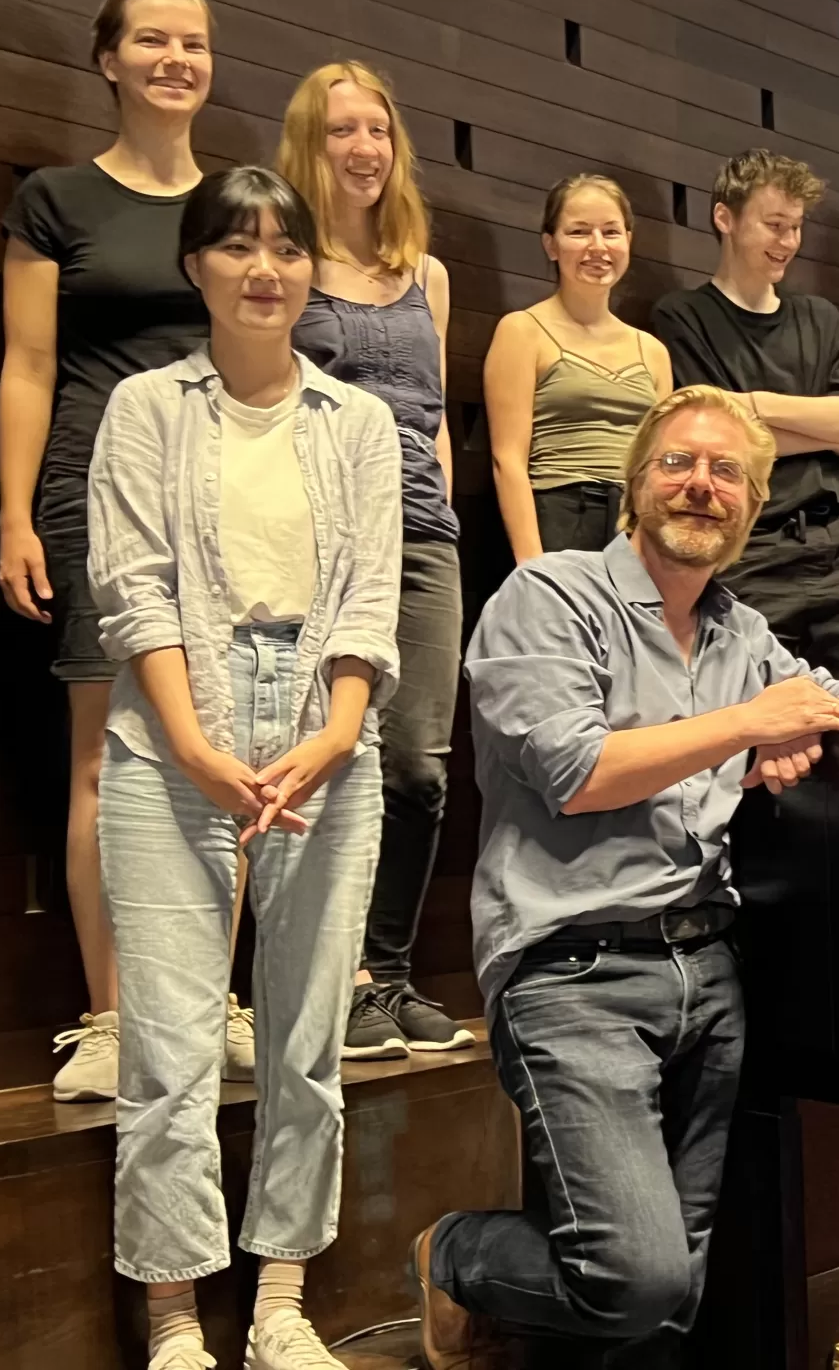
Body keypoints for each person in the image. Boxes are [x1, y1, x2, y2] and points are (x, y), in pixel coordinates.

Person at [410, 385, 839, 1369]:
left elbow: (837, 703)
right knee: (635, 1278)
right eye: (678, 463)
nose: (700, 486)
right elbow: (578, 773)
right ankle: (449, 1254)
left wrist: (815, 720)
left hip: (709, 969)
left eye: (726, 474)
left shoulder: (738, 632)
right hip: (571, 971)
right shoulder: (549, 596)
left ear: (749, 511)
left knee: (676, 1301)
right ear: (636, 485)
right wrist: (753, 724)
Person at [89, 167, 401, 1370]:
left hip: (327, 727)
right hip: (175, 728)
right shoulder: (144, 409)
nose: (265, 268)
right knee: (168, 1044)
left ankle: (280, 1303)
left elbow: (373, 592)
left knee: (305, 1041)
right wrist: (197, 745)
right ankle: (174, 1318)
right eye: (237, 246)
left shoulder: (358, 423)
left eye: (286, 248)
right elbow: (134, 589)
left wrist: (331, 735)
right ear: (196, 267)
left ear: (311, 269)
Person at [0, 0, 255, 1100]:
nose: (174, 59)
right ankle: (108, 1019)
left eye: (192, 43)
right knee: (104, 757)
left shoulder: (237, 210)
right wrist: (14, 512)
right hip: (93, 495)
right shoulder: (54, 200)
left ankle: (209, 1002)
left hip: (225, 495)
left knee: (226, 756)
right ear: (109, 60)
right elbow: (28, 365)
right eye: (151, 40)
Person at [278, 60, 472, 1063]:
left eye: (379, 132)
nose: (363, 150)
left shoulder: (425, 272)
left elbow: (433, 418)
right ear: (311, 145)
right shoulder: (287, 261)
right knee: (333, 755)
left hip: (422, 536)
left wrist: (436, 514)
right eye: (342, 131)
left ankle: (388, 974)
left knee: (421, 768)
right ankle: (334, 977)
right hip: (320, 533)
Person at [652, 149, 839, 691]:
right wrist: (833, 442)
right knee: (757, 725)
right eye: (774, 225)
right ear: (725, 218)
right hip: (753, 545)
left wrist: (750, 403)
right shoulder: (682, 316)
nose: (788, 242)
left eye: (796, 228)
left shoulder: (819, 317)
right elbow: (719, 439)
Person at [486, 173, 672, 562]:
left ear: (629, 241)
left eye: (611, 231)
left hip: (635, 526)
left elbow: (660, 466)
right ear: (550, 245)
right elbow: (509, 461)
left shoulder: (653, 351)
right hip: (559, 515)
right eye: (579, 232)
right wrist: (532, 567)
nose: (597, 246)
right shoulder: (522, 331)